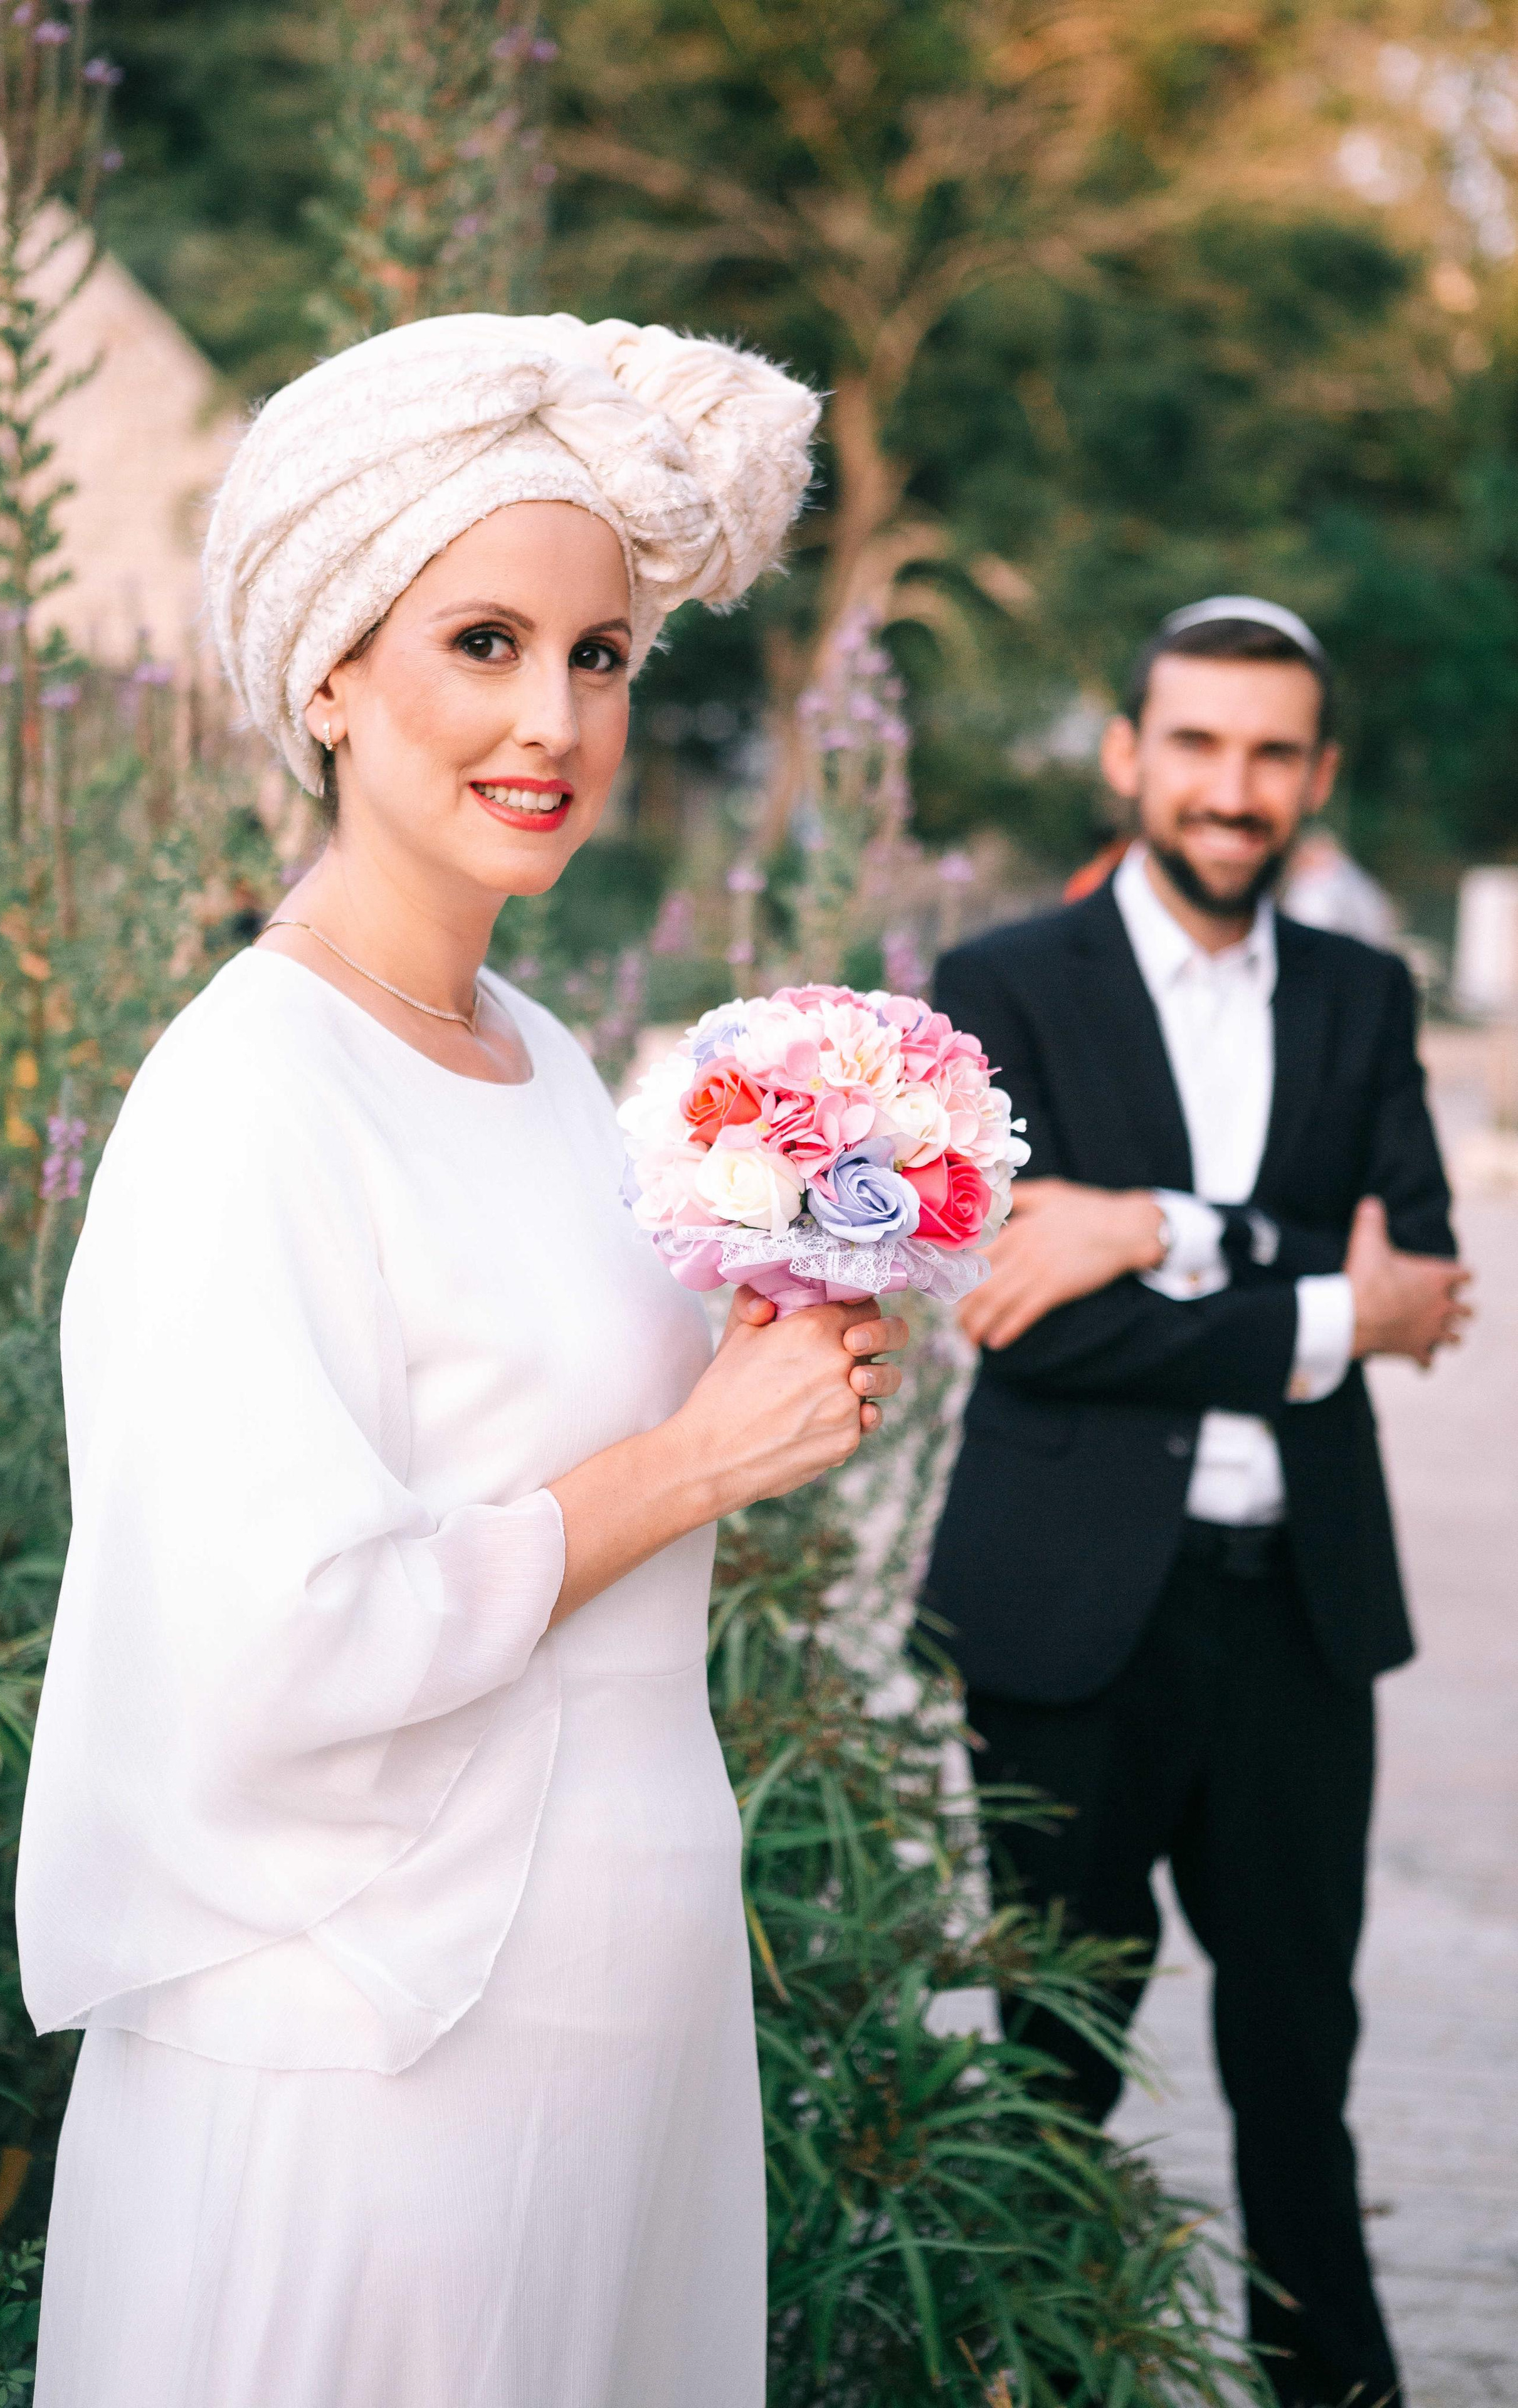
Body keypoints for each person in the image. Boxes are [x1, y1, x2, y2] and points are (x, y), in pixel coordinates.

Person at [16, 312, 910, 2408]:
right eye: (483, 642)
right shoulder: (250, 1092)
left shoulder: (548, 1063)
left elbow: (562, 1453)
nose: (554, 718)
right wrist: (697, 1459)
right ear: (330, 674)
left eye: (598, 657)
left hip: (620, 2030)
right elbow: (277, 1635)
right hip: (375, 2060)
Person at [925, 596, 1471, 2408]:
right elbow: (1034, 1334)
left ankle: (1338, 2392)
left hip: (1301, 1611)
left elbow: (1432, 1269)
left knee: (1300, 2057)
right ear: (1128, 754)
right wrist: (1318, 1302)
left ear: (1314, 777)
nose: (1231, 790)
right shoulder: (1002, 986)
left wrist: (1152, 1229)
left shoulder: (1363, 994)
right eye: (1198, 746)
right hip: (1072, 1614)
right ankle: (1042, 2380)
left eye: (1270, 755)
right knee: (1052, 2056)